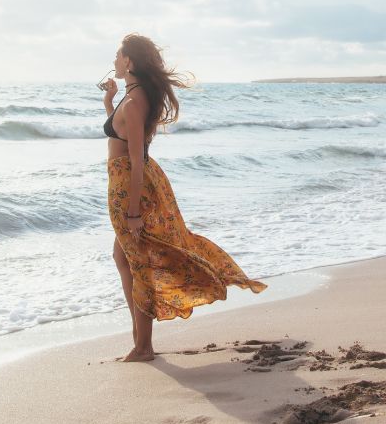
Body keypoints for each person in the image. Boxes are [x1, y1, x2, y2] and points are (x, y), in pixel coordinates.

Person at [100, 33, 267, 362]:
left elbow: (136, 159)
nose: (114, 62)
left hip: (128, 187)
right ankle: (140, 341)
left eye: (118, 56)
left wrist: (133, 211)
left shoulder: (135, 103)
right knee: (124, 258)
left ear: (130, 61)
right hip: (133, 182)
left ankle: (143, 346)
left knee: (136, 262)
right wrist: (109, 101)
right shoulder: (133, 96)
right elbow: (118, 132)